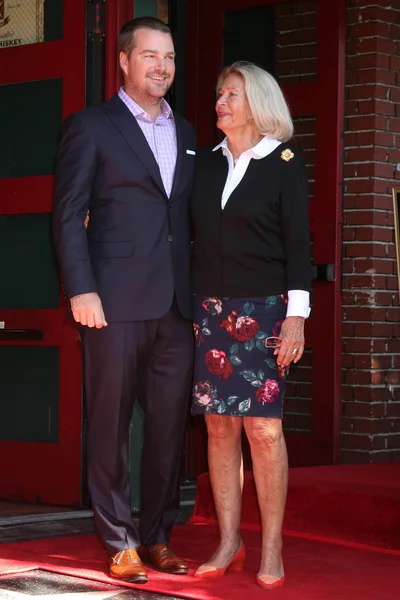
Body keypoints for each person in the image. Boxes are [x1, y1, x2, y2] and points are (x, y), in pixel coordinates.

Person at [53, 17, 196, 584]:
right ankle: (118, 540)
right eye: (149, 56)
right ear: (123, 61)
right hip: (109, 300)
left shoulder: (187, 132)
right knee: (109, 424)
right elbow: (67, 214)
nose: (161, 67)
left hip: (176, 306)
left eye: (169, 58)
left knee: (166, 429)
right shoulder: (91, 126)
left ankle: (158, 535)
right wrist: (81, 287)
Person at [190, 61, 311, 590]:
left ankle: (273, 545)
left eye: (232, 93)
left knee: (264, 431)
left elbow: (299, 246)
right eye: (219, 93)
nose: (221, 101)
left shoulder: (283, 162)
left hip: (265, 312)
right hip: (211, 312)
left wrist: (296, 318)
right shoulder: (205, 163)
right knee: (219, 427)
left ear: (257, 101)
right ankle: (228, 539)